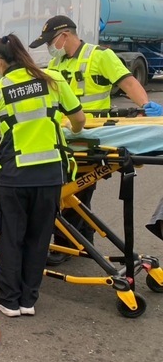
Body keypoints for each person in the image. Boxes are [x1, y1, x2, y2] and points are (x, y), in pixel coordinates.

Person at [28, 15, 163, 263]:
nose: (50, 47)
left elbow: (128, 82)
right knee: (77, 191)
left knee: (71, 191)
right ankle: (82, 239)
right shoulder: (56, 63)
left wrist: (146, 106)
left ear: (65, 35)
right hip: (62, 135)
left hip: (89, 136)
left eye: (51, 41)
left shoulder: (99, 56)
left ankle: (65, 245)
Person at [0, 34, 86, 317]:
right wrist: (71, 133)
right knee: (39, 238)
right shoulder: (52, 79)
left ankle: (9, 299)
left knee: (12, 237)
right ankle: (28, 300)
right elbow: (79, 120)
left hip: (14, 176)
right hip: (50, 173)